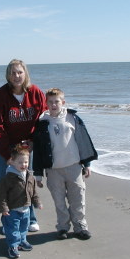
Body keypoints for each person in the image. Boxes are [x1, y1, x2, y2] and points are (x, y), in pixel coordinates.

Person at [0, 59, 47, 232]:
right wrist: (8, 156)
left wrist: (34, 141)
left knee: (26, 181)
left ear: (25, 73)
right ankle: (8, 222)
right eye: (13, 73)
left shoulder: (35, 92)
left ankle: (30, 220)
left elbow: (43, 120)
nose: (16, 76)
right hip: (4, 145)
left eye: (20, 72)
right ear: (8, 75)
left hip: (27, 147)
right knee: (7, 182)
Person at [32, 88, 98, 240]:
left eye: (57, 101)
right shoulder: (42, 123)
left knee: (78, 199)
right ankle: (62, 227)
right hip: (53, 170)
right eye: (50, 102)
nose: (54, 105)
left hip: (74, 167)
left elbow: (83, 141)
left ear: (63, 102)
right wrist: (38, 174)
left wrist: (87, 163)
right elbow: (39, 151)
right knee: (59, 202)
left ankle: (80, 227)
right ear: (46, 103)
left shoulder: (72, 118)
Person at [0, 145, 43, 259]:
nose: (24, 165)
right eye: (20, 162)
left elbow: (33, 191)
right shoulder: (8, 178)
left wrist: (37, 202)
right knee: (13, 230)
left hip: (26, 209)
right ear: (12, 162)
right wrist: (4, 208)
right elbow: (2, 195)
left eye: (26, 162)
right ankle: (13, 246)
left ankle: (22, 241)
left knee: (24, 227)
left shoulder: (29, 176)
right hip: (12, 210)